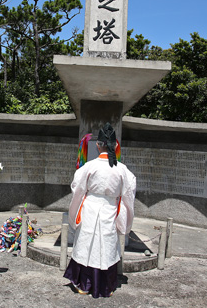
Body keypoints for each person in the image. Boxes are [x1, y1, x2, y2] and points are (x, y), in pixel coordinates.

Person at [64, 122, 136, 298]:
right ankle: (105, 286)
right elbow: (129, 194)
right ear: (115, 145)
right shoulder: (122, 170)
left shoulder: (89, 167)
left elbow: (77, 188)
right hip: (110, 209)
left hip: (90, 208)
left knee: (86, 244)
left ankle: (84, 284)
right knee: (107, 245)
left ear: (98, 145)